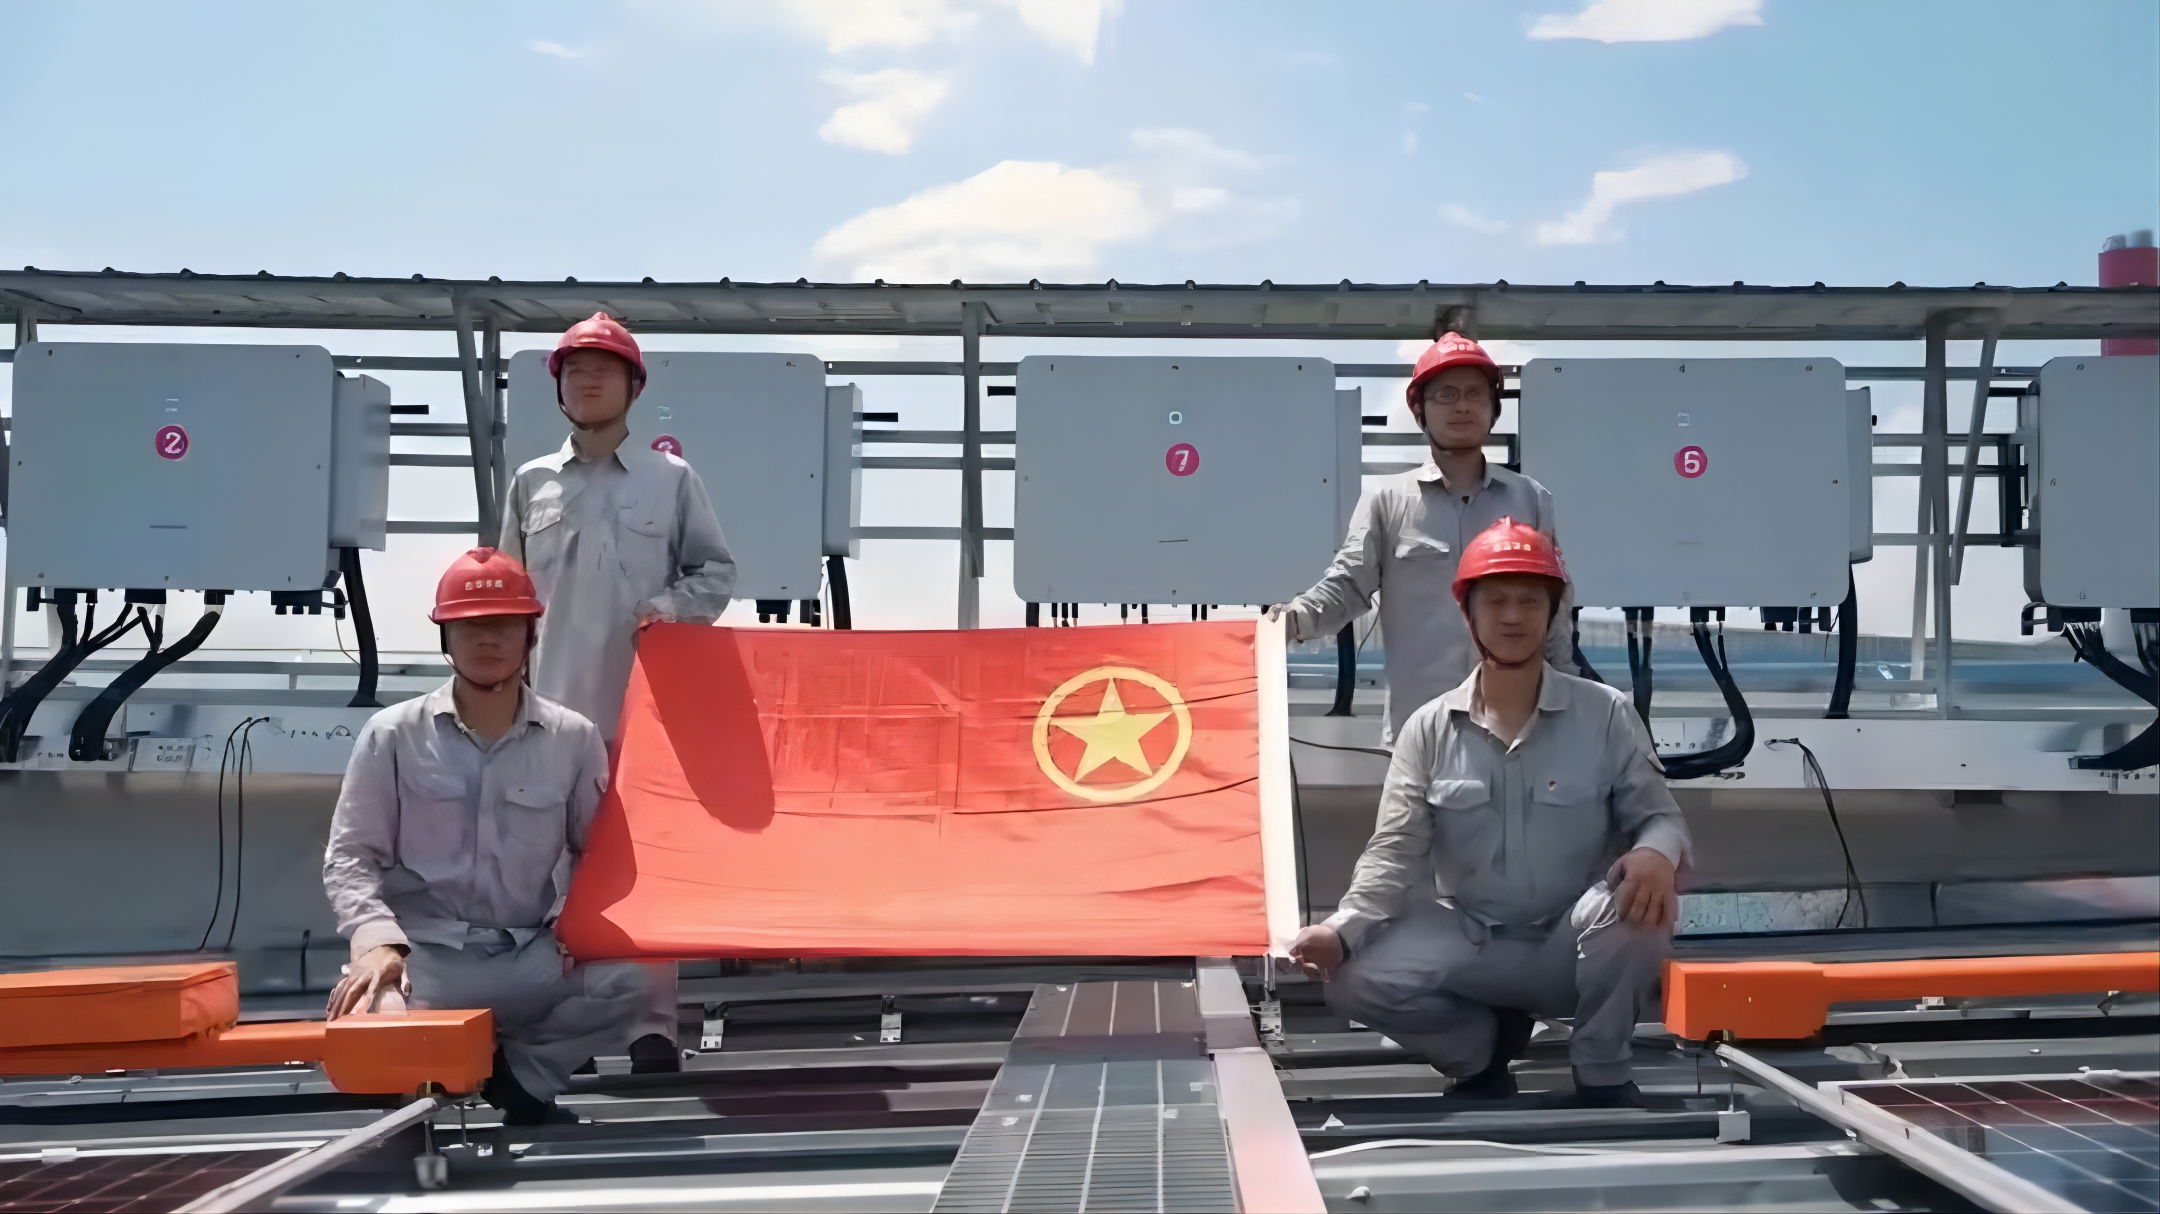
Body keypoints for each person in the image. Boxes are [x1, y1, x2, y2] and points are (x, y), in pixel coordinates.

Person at [1287, 518, 1688, 1108]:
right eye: (1495, 600)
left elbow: (1662, 817)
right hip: (1472, 942)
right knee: (1350, 978)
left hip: (1572, 942)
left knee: (1639, 906)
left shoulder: (1606, 714)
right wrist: (1340, 931)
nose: (1513, 616)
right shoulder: (1427, 728)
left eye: (1530, 601)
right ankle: (1480, 1051)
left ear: (1552, 613)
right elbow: (1393, 853)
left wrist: (1656, 853)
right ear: (1467, 612)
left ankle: (1602, 1069)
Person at [323, 547, 652, 1125]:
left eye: (504, 624)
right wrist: (375, 944)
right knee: (365, 1019)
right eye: (469, 625)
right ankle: (431, 1070)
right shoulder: (391, 735)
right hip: (426, 957)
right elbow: (351, 855)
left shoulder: (573, 739)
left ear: (530, 634)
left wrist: (576, 929)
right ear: (445, 638)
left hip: (530, 955)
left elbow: (600, 857)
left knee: (639, 979)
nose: (487, 639)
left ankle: (521, 1076)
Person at [498, 312, 736, 1073]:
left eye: (603, 368)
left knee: (641, 875)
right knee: (551, 883)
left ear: (634, 387)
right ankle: (566, 1034)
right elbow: (504, 601)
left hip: (641, 720)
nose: (587, 380)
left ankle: (648, 1030)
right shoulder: (530, 483)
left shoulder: (672, 480)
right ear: (559, 388)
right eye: (574, 369)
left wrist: (667, 609)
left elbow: (715, 573)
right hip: (544, 720)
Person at [1271, 332, 1579, 742]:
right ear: (1420, 411)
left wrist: (1568, 700)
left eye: (1475, 393)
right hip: (1419, 732)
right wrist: (1289, 621)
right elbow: (1348, 586)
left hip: (1519, 731)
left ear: (1494, 409)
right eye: (1446, 395)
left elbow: (1555, 611)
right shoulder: (1386, 500)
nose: (1462, 406)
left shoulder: (1532, 498)